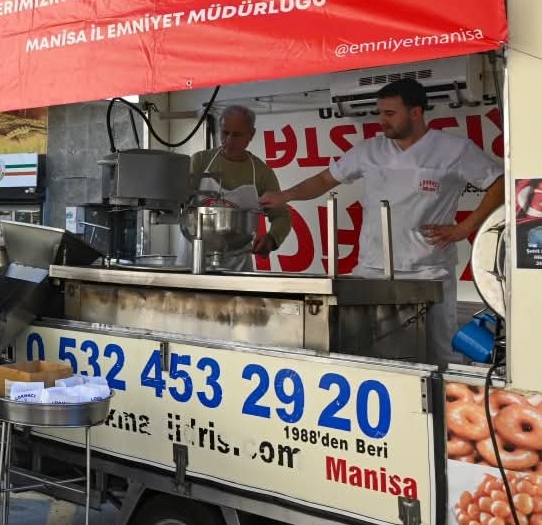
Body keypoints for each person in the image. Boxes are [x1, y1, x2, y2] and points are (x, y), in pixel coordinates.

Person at [260, 78, 504, 364]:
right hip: (372, 269)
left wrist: (466, 227)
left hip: (428, 270)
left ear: (415, 112)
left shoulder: (453, 149)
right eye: (380, 113)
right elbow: (325, 179)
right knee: (372, 348)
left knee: (439, 351)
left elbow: (499, 182)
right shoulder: (369, 150)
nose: (382, 121)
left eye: (390, 113)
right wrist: (285, 196)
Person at [187, 105, 292, 269]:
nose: (229, 140)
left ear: (251, 134)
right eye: (225, 133)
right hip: (193, 253)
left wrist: (272, 239)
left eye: (237, 135)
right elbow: (180, 201)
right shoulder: (200, 161)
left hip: (237, 259)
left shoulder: (262, 173)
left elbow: (282, 216)